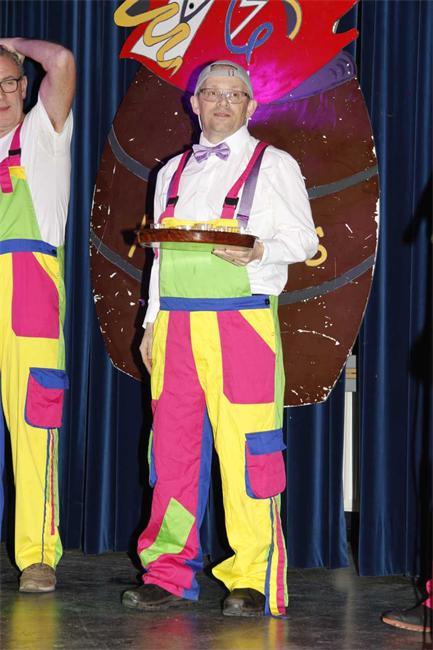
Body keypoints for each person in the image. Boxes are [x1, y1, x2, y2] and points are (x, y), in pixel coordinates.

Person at [122, 60, 318, 617]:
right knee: (172, 453)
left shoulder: (274, 164)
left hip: (243, 322)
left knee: (250, 451)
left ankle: (253, 576)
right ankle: (167, 571)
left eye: (234, 95)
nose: (222, 103)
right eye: (212, 93)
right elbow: (161, 257)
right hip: (176, 326)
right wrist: (151, 323)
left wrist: (259, 249)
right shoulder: (171, 171)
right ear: (195, 103)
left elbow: (304, 240)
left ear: (251, 106)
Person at [0, 38, 75, 592]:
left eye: (9, 82)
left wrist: (12, 45)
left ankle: (38, 554)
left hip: (27, 292)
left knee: (34, 426)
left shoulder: (42, 135)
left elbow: (63, 62)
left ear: (24, 87)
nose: (1, 94)